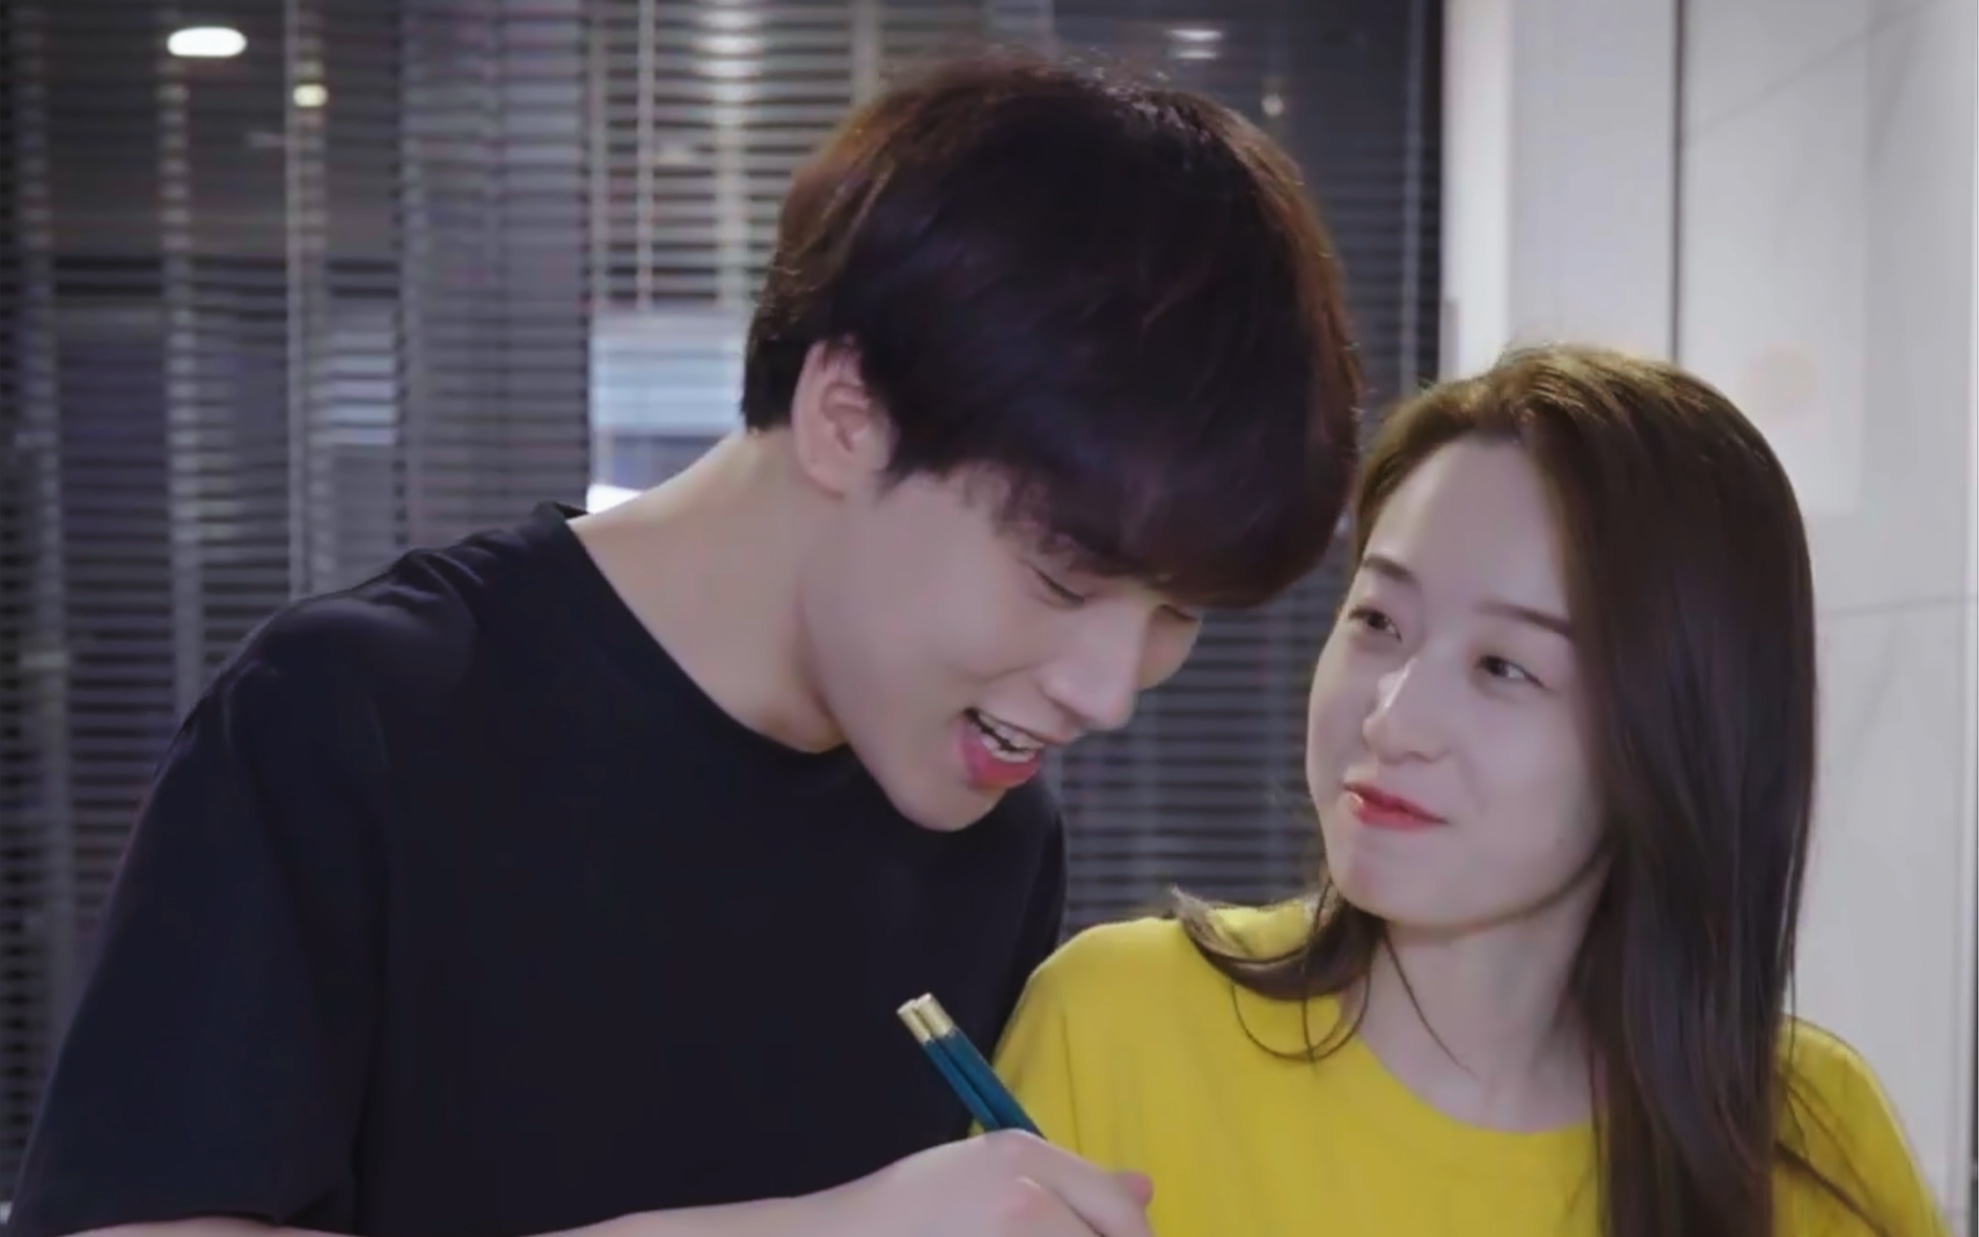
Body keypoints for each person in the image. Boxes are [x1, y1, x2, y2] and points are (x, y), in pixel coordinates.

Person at [7, 51, 1361, 1237]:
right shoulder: (355, 717)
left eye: (1175, 612)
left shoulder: (990, 832)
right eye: (1063, 579)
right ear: (847, 415)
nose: (1108, 692)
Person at [993, 345, 1950, 1237]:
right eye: (1378, 619)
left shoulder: (1812, 1146)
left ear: (1676, 734)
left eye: (1502, 667)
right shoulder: (1117, 1025)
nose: (1393, 717)